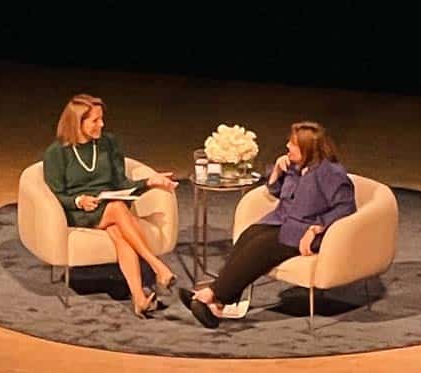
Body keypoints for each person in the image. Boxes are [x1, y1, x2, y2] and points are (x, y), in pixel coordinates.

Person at [186, 121, 355, 327]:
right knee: (250, 235)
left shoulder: (330, 173)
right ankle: (218, 303)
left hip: (304, 231)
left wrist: (316, 228)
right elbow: (277, 191)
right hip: (282, 220)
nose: (287, 147)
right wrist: (276, 171)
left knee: (260, 247)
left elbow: (346, 207)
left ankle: (212, 295)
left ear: (307, 148)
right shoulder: (296, 166)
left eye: (292, 144)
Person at [42, 93, 178, 318]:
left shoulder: (108, 143)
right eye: (95, 120)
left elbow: (122, 184)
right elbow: (56, 195)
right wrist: (79, 200)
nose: (101, 124)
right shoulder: (57, 153)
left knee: (118, 232)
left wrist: (150, 182)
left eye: (101, 118)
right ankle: (157, 266)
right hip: (79, 211)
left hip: (109, 206)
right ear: (78, 122)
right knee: (116, 208)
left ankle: (139, 299)